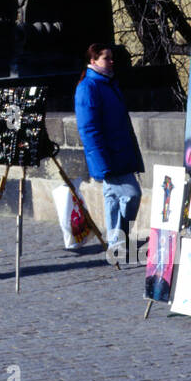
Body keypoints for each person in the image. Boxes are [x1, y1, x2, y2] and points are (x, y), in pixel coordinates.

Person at [75, 43, 145, 261]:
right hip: (109, 155)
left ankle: (116, 244)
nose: (111, 61)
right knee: (132, 194)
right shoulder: (89, 87)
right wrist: (100, 162)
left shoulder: (107, 83)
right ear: (93, 61)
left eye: (111, 58)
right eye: (106, 58)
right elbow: (88, 129)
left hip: (120, 152)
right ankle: (118, 241)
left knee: (113, 198)